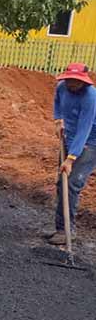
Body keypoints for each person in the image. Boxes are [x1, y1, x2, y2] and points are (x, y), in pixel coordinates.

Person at [48, 63, 96, 245]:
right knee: (61, 182)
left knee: (73, 183)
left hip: (91, 142)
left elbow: (85, 128)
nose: (72, 85)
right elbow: (57, 101)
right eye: (70, 81)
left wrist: (71, 158)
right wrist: (58, 119)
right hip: (70, 137)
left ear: (84, 82)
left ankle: (69, 230)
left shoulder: (90, 97)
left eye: (76, 82)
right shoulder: (62, 87)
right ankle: (60, 227)